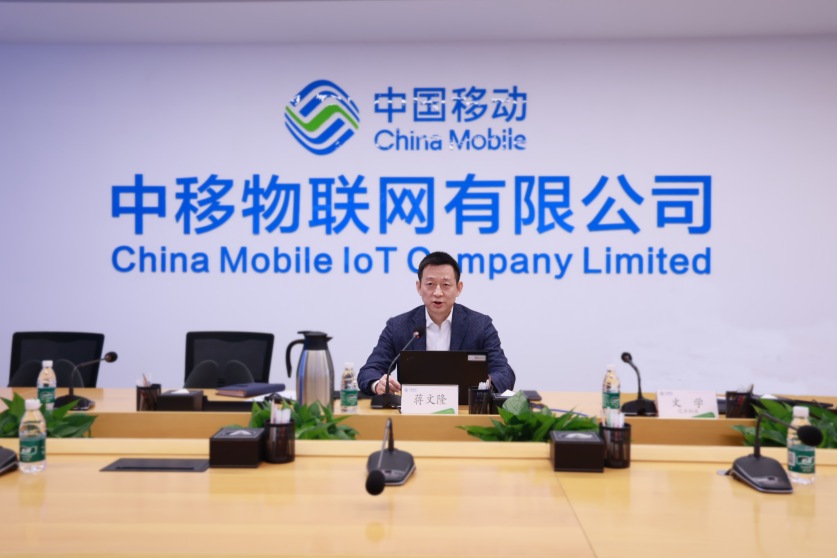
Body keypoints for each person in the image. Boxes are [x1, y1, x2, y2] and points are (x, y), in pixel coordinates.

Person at [358, 251, 515, 396]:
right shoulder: (398, 327)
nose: (438, 293)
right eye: (430, 284)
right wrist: (377, 384)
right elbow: (370, 370)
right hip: (414, 411)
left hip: (465, 410)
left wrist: (485, 384)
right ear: (419, 287)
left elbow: (504, 372)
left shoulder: (480, 325)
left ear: (458, 288)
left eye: (446, 285)